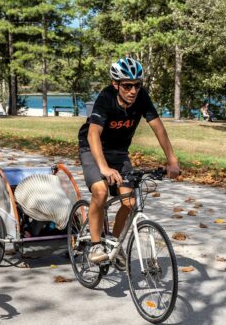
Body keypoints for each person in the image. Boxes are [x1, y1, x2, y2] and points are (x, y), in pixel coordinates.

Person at [77, 57, 181, 264]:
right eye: (127, 86)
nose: (133, 91)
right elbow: (93, 135)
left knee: (130, 201)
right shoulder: (106, 98)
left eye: (137, 85)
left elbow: (158, 128)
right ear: (116, 84)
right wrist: (104, 168)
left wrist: (172, 160)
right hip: (92, 149)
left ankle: (114, 245)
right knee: (100, 191)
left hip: (119, 153)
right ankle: (96, 245)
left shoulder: (141, 98)